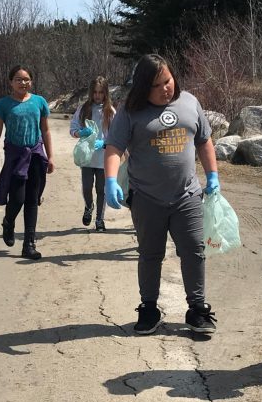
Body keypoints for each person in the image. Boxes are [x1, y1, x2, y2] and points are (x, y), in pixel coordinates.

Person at [104, 54, 220, 336]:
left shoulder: (190, 102)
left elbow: (204, 140)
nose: (166, 88)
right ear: (144, 88)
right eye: (157, 85)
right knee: (150, 255)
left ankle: (197, 309)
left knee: (194, 251)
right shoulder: (130, 111)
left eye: (168, 81)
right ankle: (149, 308)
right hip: (147, 198)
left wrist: (213, 175)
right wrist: (110, 179)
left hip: (187, 196)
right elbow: (114, 148)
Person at [0, 65, 54, 260]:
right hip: (15, 156)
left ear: (31, 81)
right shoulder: (3, 105)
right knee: (17, 198)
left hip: (35, 155)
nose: (22, 83)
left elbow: (46, 131)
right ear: (11, 82)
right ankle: (9, 222)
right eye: (18, 79)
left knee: (32, 199)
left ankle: (29, 244)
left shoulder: (39, 102)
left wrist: (50, 157)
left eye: (26, 79)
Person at [70, 76, 115, 232]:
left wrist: (105, 143)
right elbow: (73, 128)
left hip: (103, 157)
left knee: (101, 189)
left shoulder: (110, 111)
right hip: (87, 157)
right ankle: (89, 206)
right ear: (91, 93)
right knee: (87, 187)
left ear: (105, 93)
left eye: (101, 92)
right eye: (95, 92)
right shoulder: (83, 109)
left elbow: (116, 134)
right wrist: (80, 133)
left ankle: (100, 220)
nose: (97, 96)